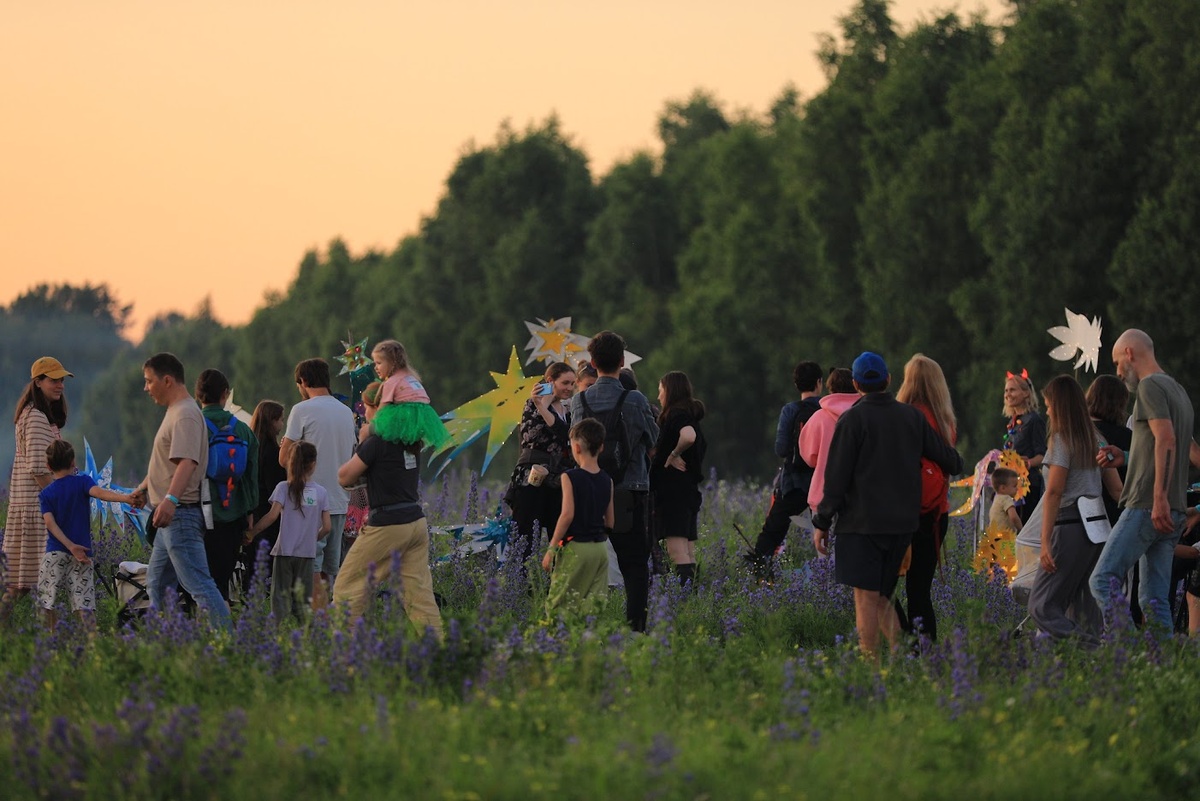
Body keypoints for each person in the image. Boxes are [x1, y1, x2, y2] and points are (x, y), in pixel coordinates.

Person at [812, 352, 963, 658]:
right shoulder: (912, 418)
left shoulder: (852, 419)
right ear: (889, 380)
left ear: (856, 384)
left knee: (866, 598)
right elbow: (952, 461)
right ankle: (905, 659)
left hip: (861, 523)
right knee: (883, 595)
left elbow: (837, 478)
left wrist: (822, 521)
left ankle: (872, 667)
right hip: (903, 525)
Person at [1090, 329, 1200, 631]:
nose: (1117, 372)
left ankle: (1127, 651)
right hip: (1173, 509)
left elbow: (1166, 440)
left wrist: (1159, 497)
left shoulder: (1150, 387)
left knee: (1102, 580)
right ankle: (1160, 658)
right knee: (1153, 600)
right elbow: (1176, 447)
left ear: (1129, 353)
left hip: (1147, 503)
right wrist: (1126, 456)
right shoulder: (1178, 391)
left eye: (1117, 362)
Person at [334, 382, 443, 639]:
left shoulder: (376, 442)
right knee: (418, 596)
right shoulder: (410, 440)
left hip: (388, 524)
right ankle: (440, 649)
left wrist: (363, 441)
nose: (364, 413)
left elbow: (344, 477)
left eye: (366, 407)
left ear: (378, 408)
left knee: (347, 588)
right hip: (415, 522)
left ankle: (346, 651)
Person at [569, 331, 659, 632]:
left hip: (591, 491)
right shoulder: (635, 399)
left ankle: (587, 627)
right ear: (622, 362)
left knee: (587, 561)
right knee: (634, 564)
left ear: (592, 363)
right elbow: (653, 438)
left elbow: (575, 446)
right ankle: (635, 630)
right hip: (629, 491)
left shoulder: (579, 400)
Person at [133, 352, 230, 629]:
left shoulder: (185, 414)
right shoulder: (176, 412)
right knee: (157, 583)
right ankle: (172, 640)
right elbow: (166, 464)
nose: (146, 388)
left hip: (180, 514)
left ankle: (229, 643)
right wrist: (143, 489)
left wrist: (170, 500)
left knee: (199, 585)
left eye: (149, 381)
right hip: (169, 517)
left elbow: (187, 462)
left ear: (167, 380)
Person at [1028, 375, 1122, 643]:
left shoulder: (1062, 439)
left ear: (1058, 405)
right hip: (1096, 529)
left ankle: (1091, 647)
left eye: (1049, 405)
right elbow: (1116, 489)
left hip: (1068, 525)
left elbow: (1054, 492)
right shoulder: (1096, 438)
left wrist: (1045, 541)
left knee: (1042, 605)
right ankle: (1087, 656)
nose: (1047, 411)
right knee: (1083, 606)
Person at [37, 439, 138, 630]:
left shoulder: (46, 494)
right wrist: (126, 498)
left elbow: (50, 523)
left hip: (55, 552)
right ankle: (93, 642)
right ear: (73, 462)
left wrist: (69, 546)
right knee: (84, 604)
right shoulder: (83, 482)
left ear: (48, 466)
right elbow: (101, 493)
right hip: (82, 553)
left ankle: (52, 639)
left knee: (45, 601)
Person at [892, 354, 958, 642]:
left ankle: (904, 642)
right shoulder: (945, 421)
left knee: (881, 587)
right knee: (920, 590)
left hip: (902, 514)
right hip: (936, 514)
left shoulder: (904, 416)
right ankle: (926, 652)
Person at [2, 356, 72, 623]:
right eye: (54, 380)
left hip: (30, 507)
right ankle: (51, 639)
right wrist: (59, 501)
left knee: (21, 585)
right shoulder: (35, 418)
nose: (60, 385)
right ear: (38, 382)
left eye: (61, 380)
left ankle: (17, 634)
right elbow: (39, 469)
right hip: (37, 509)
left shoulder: (37, 415)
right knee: (43, 583)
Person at [281, 358, 356, 601]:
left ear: (303, 381)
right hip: (339, 500)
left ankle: (317, 618)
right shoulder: (346, 412)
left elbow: (284, 459)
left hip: (309, 501)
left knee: (310, 566)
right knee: (329, 571)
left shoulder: (301, 410)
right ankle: (329, 614)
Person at [747, 361, 823, 577]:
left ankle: (760, 578)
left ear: (796, 384)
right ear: (820, 383)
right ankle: (830, 580)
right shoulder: (825, 410)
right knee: (827, 534)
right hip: (821, 483)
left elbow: (781, 449)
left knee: (772, 532)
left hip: (793, 483)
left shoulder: (790, 410)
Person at [245, 441, 329, 623]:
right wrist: (313, 538)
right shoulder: (321, 492)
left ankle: (278, 632)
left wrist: (252, 533)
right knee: (303, 603)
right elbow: (328, 527)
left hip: (284, 551)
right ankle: (305, 633)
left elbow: (271, 516)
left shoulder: (283, 488)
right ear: (313, 464)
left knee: (280, 599)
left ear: (291, 463)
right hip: (307, 554)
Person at [195, 369, 259, 602]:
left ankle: (200, 621)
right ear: (225, 394)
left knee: (198, 581)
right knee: (221, 581)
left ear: (198, 395)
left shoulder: (193, 426)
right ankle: (222, 619)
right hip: (234, 514)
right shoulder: (243, 430)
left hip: (200, 514)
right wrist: (250, 512)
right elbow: (251, 475)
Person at [504, 362, 577, 568]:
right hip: (533, 475)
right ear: (550, 381)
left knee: (560, 531)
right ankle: (519, 578)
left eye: (572, 384)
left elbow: (567, 435)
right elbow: (531, 434)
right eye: (565, 383)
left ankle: (558, 576)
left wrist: (544, 409)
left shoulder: (568, 409)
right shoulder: (531, 405)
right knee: (524, 533)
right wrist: (541, 405)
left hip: (559, 476)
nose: (569, 388)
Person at [541, 418, 613, 618]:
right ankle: (590, 638)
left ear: (577, 447)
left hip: (576, 548)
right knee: (592, 607)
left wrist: (552, 549)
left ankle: (558, 637)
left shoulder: (569, 477)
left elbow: (567, 514)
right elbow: (610, 522)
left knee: (559, 605)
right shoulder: (607, 480)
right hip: (600, 549)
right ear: (601, 447)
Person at [650, 371, 707, 586]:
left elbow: (688, 436)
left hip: (673, 492)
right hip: (688, 490)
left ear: (670, 391)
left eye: (661, 391)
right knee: (688, 549)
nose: (659, 396)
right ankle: (692, 596)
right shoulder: (691, 415)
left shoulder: (676, 415)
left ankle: (683, 597)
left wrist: (673, 454)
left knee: (676, 550)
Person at [367, 339, 449, 449]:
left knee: (365, 431)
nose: (375, 367)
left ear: (392, 362)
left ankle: (360, 452)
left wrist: (372, 423)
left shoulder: (391, 382)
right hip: (422, 416)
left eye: (379, 363)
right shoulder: (411, 378)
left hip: (404, 416)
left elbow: (382, 409)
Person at [799, 367, 858, 513]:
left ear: (830, 388)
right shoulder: (864, 416)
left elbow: (809, 457)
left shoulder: (819, 418)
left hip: (824, 497)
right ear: (855, 385)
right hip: (858, 498)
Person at [244, 400, 287, 590]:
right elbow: (276, 488)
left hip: (250, 510)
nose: (282, 424)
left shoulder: (250, 445)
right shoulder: (272, 452)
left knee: (252, 565)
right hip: (268, 515)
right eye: (281, 420)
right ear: (272, 421)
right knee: (267, 565)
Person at [1002, 369, 1047, 523]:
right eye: (1006, 391)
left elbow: (1043, 455)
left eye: (1012, 390)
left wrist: (1026, 463)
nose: (1008, 394)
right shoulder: (1012, 422)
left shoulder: (1034, 420)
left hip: (1028, 487)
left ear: (1026, 393)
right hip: (1012, 485)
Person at [989, 468, 1023, 533]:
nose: (1017, 489)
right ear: (1003, 488)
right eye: (1014, 486)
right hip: (1005, 535)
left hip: (994, 534)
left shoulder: (996, 498)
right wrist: (1021, 529)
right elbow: (1013, 517)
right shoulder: (1006, 499)